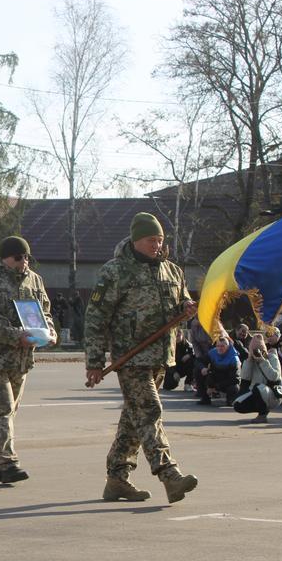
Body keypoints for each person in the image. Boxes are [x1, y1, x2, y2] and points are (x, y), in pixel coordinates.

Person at [85, 212, 199, 504]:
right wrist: (95, 362)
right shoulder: (116, 272)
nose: (157, 245)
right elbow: (96, 317)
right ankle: (169, 475)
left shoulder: (171, 271)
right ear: (137, 240)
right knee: (150, 412)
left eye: (160, 240)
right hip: (130, 359)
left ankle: (117, 479)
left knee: (134, 422)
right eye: (151, 240)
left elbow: (182, 299)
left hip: (161, 356)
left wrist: (186, 306)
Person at [0, 235, 56, 485]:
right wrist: (15, 336)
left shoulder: (35, 281)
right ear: (6, 257)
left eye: (27, 257)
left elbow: (45, 311)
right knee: (2, 410)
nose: (24, 262)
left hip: (20, 359)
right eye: (19, 257)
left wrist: (49, 331)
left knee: (5, 414)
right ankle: (8, 463)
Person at [231, 334, 282, 423]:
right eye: (253, 350)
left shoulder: (272, 357)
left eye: (258, 350)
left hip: (273, 394)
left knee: (259, 388)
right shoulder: (251, 360)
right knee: (238, 405)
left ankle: (263, 414)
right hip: (256, 392)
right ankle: (261, 407)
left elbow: (274, 377)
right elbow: (244, 379)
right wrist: (249, 360)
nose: (256, 352)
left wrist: (262, 360)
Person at [204, 336, 241, 406]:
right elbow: (200, 361)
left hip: (228, 383)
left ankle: (229, 399)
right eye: (218, 346)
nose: (220, 348)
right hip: (217, 379)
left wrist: (217, 387)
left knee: (234, 387)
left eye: (222, 346)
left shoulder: (234, 359)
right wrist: (203, 368)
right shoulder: (213, 352)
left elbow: (236, 379)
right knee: (200, 372)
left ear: (228, 346)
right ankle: (205, 398)